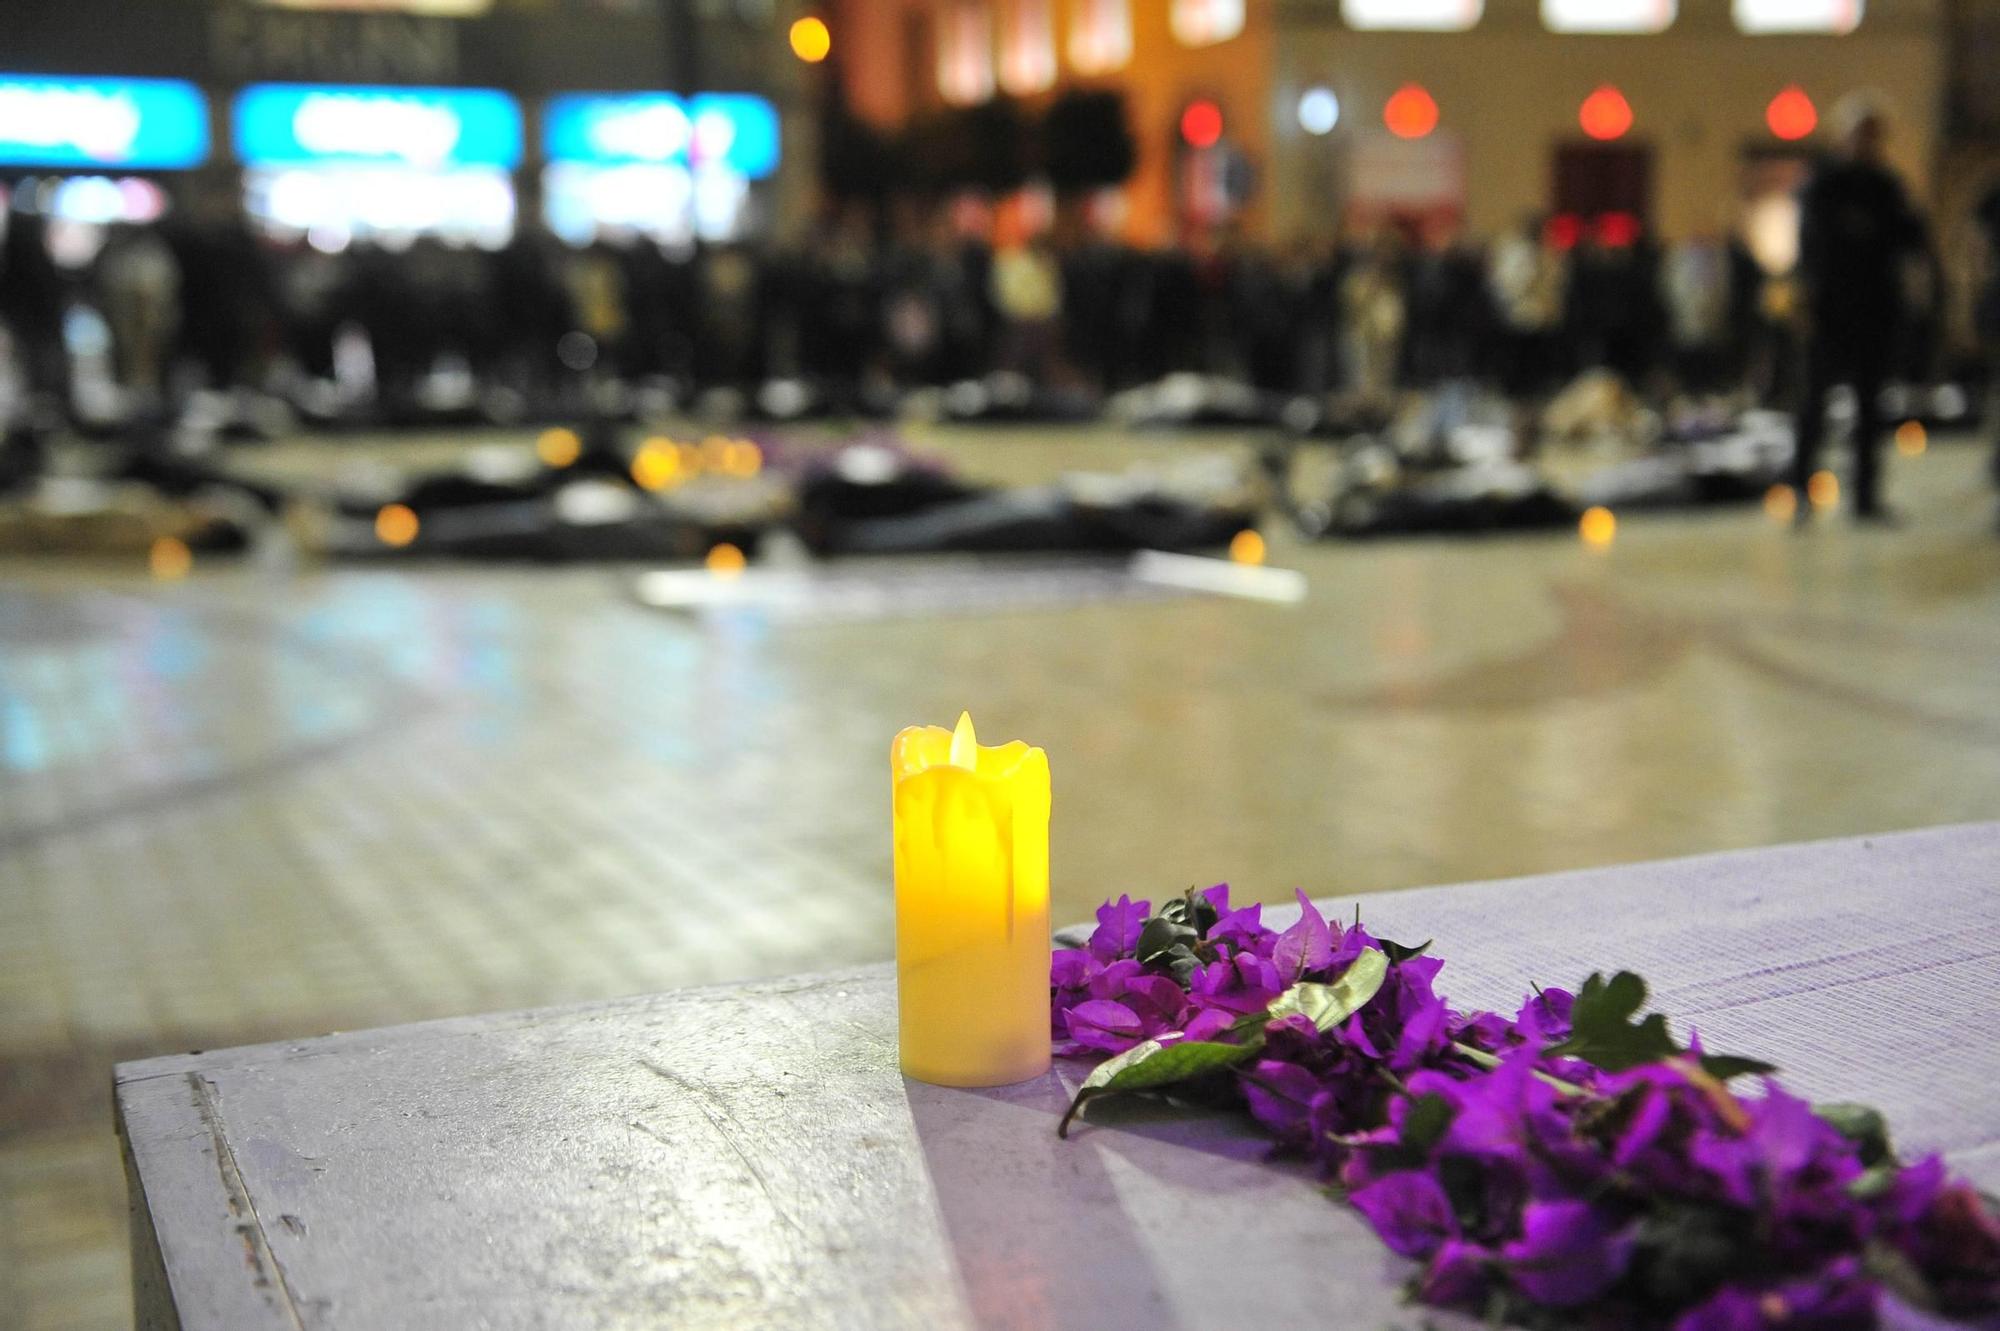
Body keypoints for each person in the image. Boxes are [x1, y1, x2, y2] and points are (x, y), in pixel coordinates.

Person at [1792, 95, 1925, 523]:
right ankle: (1801, 492)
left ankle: (1865, 497)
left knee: (1871, 407)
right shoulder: (1821, 185)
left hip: (1875, 312)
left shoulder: (1887, 187)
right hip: (1829, 311)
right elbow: (1811, 249)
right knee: (1813, 404)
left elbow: (1910, 241)